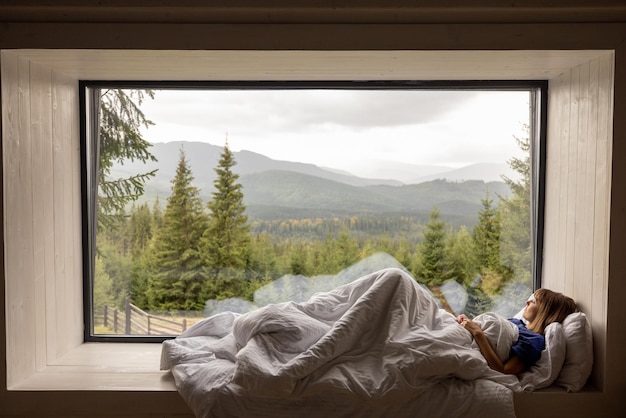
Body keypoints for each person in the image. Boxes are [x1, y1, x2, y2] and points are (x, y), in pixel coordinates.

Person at [457, 288, 577, 375]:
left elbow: (503, 370)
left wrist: (478, 333)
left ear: (545, 312)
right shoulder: (516, 322)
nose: (527, 302)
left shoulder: (534, 340)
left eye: (533, 301)